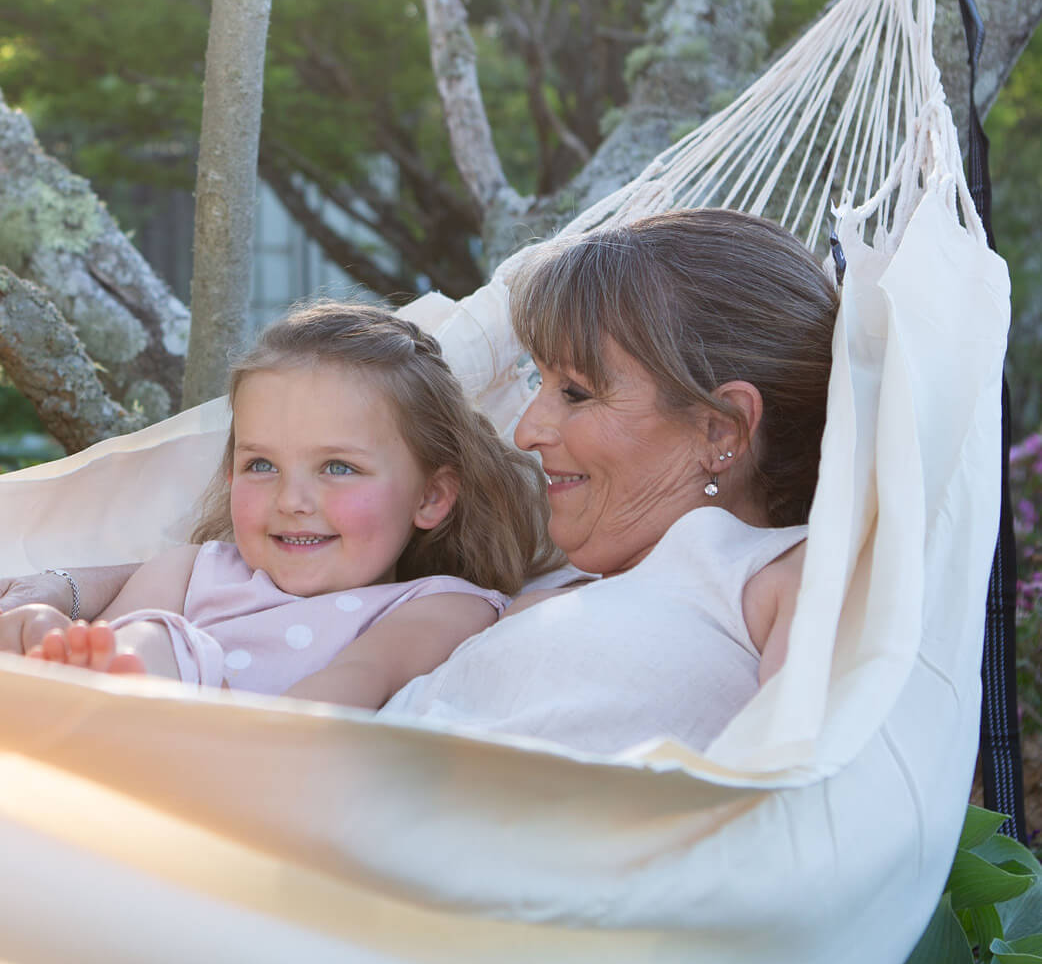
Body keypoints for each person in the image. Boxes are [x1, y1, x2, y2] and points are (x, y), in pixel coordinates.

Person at [0, 209, 838, 752]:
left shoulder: (772, 577)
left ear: (719, 430)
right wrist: (69, 592)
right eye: (539, 385)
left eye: (576, 392)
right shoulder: (550, 577)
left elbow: (805, 803)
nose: (525, 430)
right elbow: (244, 584)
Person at [0, 302, 556, 708]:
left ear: (431, 496)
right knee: (137, 636)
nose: (291, 501)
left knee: (161, 639)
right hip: (92, 768)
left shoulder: (440, 604)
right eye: (261, 465)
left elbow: (359, 681)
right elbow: (105, 644)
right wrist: (43, 638)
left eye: (339, 467)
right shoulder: (190, 572)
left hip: (245, 771)